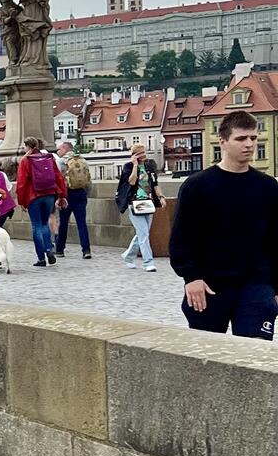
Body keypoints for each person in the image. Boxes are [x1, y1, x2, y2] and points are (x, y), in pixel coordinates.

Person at [169, 109, 278, 338]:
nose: (249, 144)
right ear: (223, 142)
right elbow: (182, 238)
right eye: (240, 138)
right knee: (207, 357)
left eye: (253, 138)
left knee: (254, 355)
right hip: (209, 284)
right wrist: (192, 277)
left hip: (256, 284)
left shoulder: (268, 187)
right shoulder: (197, 186)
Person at [16, 138, 64, 267]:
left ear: (27, 146)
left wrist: (21, 201)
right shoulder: (48, 157)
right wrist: (62, 195)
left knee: (36, 226)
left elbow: (21, 183)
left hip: (34, 196)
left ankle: (41, 258)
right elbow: (58, 176)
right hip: (49, 194)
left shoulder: (25, 160)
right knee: (44, 224)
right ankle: (49, 249)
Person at [117, 141, 162, 269]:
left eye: (144, 152)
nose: (143, 155)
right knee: (143, 235)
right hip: (134, 202)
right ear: (134, 155)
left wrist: (161, 197)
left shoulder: (150, 166)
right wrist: (135, 165)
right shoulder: (128, 166)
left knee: (143, 233)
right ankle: (148, 262)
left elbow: (155, 183)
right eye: (140, 153)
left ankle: (128, 256)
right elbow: (131, 182)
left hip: (148, 202)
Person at [55, 143, 93, 258]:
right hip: (80, 194)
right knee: (81, 223)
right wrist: (85, 193)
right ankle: (86, 250)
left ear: (66, 149)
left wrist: (59, 197)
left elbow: (58, 180)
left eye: (60, 149)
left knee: (63, 223)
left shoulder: (62, 161)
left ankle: (60, 249)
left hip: (67, 194)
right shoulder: (83, 160)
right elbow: (88, 180)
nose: (58, 151)